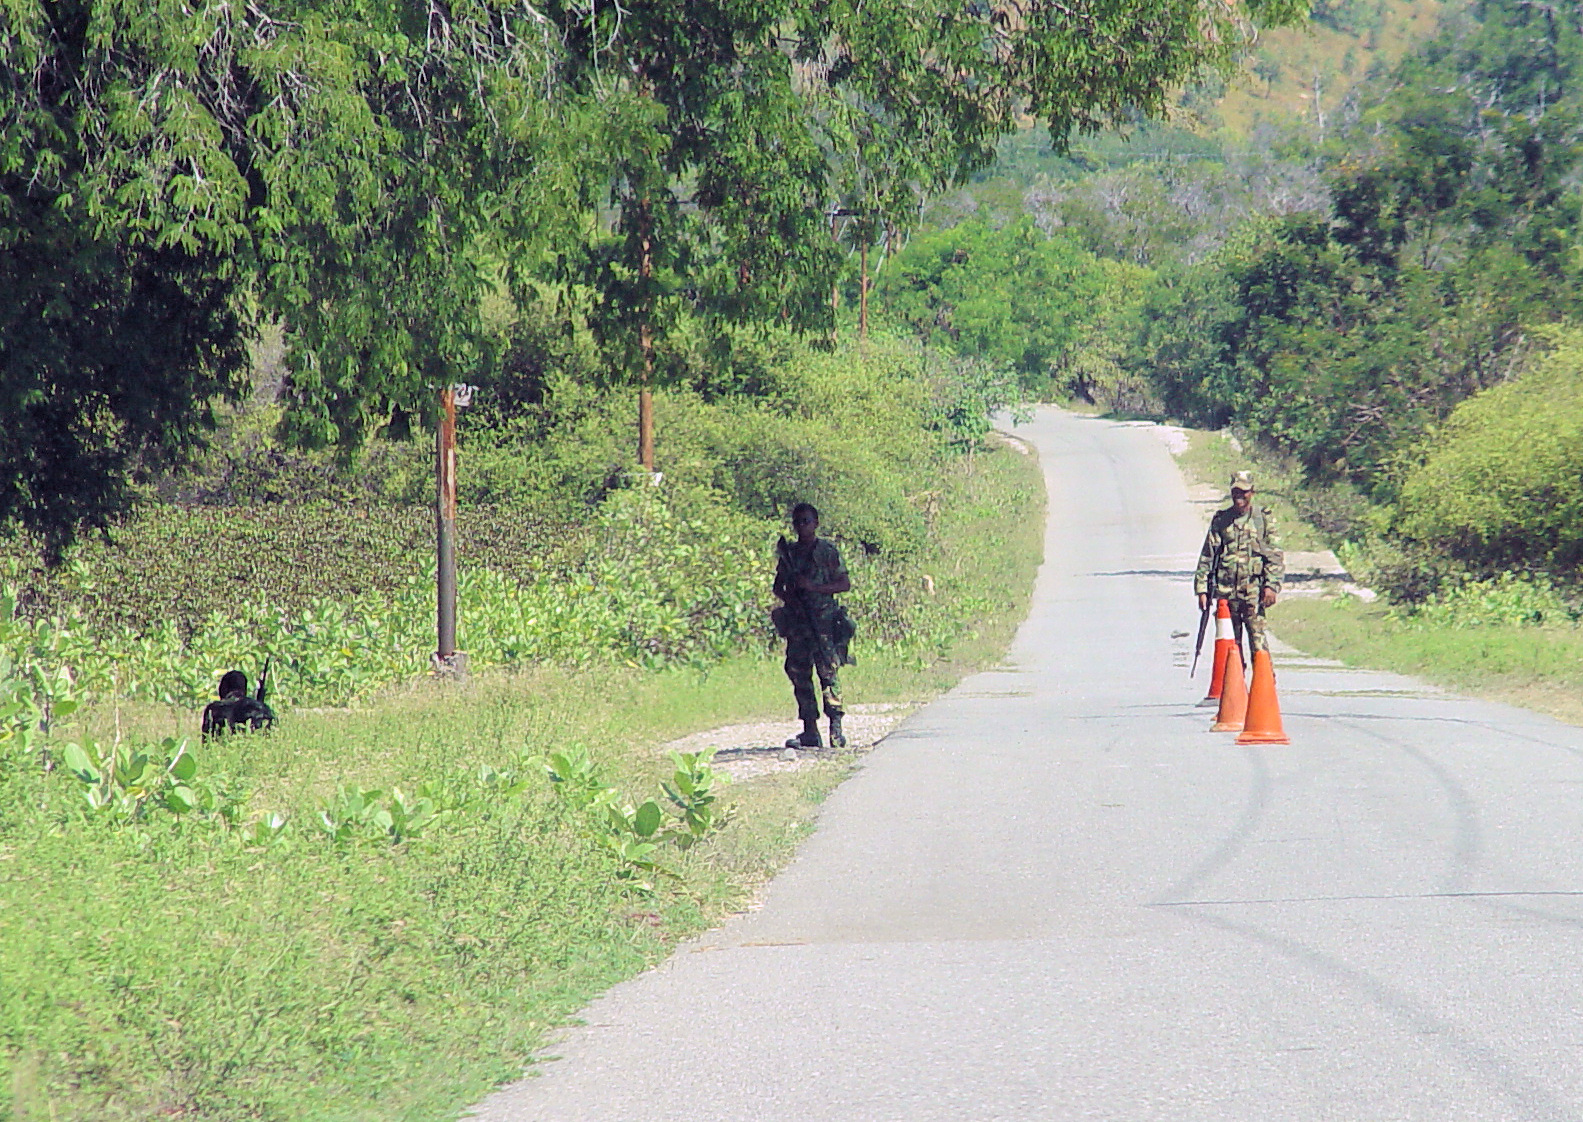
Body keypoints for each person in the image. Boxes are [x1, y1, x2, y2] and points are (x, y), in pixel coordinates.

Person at [773, 502, 851, 749]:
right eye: (798, 522)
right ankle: (809, 729)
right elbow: (778, 587)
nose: (802, 526)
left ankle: (836, 729)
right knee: (799, 674)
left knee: (828, 674)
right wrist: (792, 595)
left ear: (816, 523)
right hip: (798, 625)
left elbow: (843, 584)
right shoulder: (790, 555)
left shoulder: (826, 551)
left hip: (823, 623)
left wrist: (813, 588)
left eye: (806, 521)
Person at [1194, 471, 1284, 656]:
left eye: (1243, 492)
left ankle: (1264, 682)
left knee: (1258, 643)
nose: (1239, 497)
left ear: (1252, 492)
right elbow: (1207, 556)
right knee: (1230, 646)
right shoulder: (1221, 520)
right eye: (1235, 492)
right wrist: (1202, 589)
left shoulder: (1262, 519)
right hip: (1226, 594)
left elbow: (1275, 556)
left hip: (1253, 593)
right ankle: (1233, 682)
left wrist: (1271, 586)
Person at [201, 668, 276, 739]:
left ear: (223, 689)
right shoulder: (261, 708)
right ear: (244, 689)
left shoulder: (213, 709)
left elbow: (207, 742)